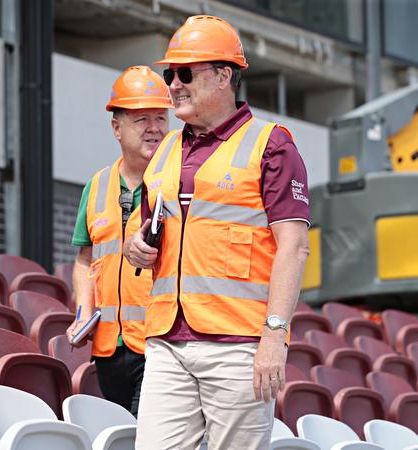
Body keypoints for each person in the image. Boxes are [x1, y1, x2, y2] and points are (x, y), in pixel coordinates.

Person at [123, 15, 311, 449]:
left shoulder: (271, 145)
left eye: (185, 73)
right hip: (168, 338)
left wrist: (274, 337)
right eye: (170, 74)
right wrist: (137, 247)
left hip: (238, 345)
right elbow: (147, 225)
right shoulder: (166, 149)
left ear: (224, 76)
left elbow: (294, 247)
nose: (173, 84)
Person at [66, 66, 173, 416]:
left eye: (161, 117)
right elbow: (84, 258)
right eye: (143, 119)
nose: (155, 128)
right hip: (109, 349)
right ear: (117, 127)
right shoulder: (96, 187)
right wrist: (84, 310)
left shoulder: (177, 185)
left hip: (159, 345)